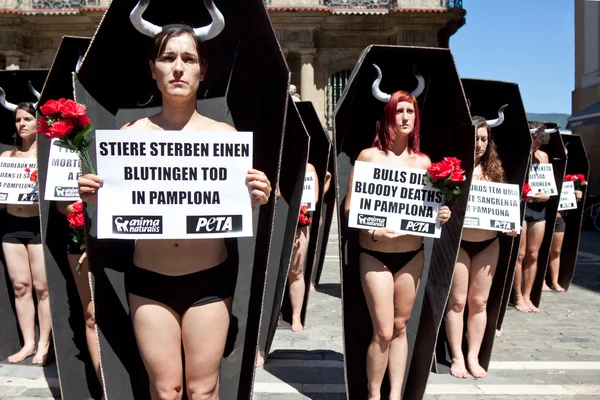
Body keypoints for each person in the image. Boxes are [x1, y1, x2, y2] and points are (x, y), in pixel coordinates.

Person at [78, 2, 272, 398]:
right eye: (168, 58)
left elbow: (248, 202)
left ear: (202, 72)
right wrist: (91, 195)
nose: (178, 67)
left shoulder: (226, 138)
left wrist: (259, 194)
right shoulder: (129, 137)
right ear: (153, 69)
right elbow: (114, 206)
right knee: (165, 389)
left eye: (188, 58)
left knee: (202, 390)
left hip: (210, 280)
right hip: (148, 280)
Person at [344, 65, 451, 400]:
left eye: (410, 111)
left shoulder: (424, 163)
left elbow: (430, 208)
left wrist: (442, 212)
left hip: (412, 255)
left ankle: (395, 395)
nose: (405, 116)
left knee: (402, 327)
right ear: (388, 116)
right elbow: (349, 208)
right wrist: (374, 230)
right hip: (374, 253)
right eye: (399, 111)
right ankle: (373, 395)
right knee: (384, 329)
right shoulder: (368, 156)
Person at [444, 114, 518, 379]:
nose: (479, 144)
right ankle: (457, 357)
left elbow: (503, 210)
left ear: (490, 142)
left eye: (484, 139)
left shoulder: (495, 172)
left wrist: (511, 224)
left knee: (479, 302)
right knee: (458, 302)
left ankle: (473, 356)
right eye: (475, 138)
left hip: (488, 243)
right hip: (460, 243)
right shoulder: (452, 170)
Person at [0, 100, 52, 365]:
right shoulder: (5, 158)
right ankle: (28, 343)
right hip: (11, 227)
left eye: (27, 119)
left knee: (43, 287)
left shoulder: (46, 157)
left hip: (38, 227)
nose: (21, 124)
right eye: (18, 120)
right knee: (20, 286)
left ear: (38, 123)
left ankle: (44, 345)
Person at [55, 201, 100, 380]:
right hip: (80, 237)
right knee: (92, 315)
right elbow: (60, 203)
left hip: (126, 239)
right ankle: (105, 390)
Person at [513, 122, 551, 313]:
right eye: (534, 141)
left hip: (537, 207)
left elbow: (548, 190)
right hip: (521, 206)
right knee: (519, 255)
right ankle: (517, 296)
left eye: (539, 142)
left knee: (533, 254)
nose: (536, 145)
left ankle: (528, 296)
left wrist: (541, 195)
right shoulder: (519, 154)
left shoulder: (543, 157)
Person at [288, 163, 319, 332]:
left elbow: (313, 198)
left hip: (300, 221)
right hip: (280, 221)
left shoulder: (309, 168)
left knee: (296, 270)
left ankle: (296, 316)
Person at [543, 189, 583, 292]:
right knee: (542, 250)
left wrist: (577, 195)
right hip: (545, 217)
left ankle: (554, 281)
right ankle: (541, 280)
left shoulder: (569, 182)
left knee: (556, 251)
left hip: (560, 218)